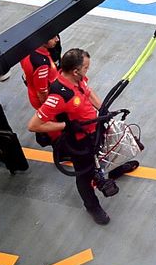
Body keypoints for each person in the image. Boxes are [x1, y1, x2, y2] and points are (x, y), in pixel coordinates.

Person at [28, 48, 138, 225]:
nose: (87, 71)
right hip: (79, 141)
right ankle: (92, 206)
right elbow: (33, 125)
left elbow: (88, 91)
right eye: (86, 68)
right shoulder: (59, 95)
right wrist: (66, 126)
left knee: (106, 151)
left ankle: (114, 170)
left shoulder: (78, 80)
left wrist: (103, 111)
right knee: (85, 175)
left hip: (94, 129)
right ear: (75, 70)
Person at [20, 36, 60, 109]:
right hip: (46, 100)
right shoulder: (41, 64)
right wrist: (49, 109)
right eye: (52, 37)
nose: (57, 39)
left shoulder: (27, 48)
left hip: (32, 91)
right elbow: (42, 92)